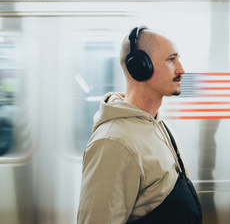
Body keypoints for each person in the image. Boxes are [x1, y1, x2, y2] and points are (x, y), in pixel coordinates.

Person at [77, 26, 202, 224]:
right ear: (140, 66)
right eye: (171, 59)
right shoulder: (113, 143)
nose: (181, 70)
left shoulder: (158, 123)